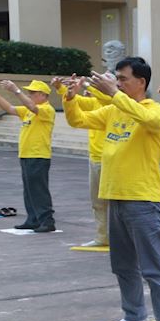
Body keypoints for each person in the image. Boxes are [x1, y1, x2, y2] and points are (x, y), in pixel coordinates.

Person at [63, 58, 160, 321]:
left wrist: (113, 94)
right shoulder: (115, 109)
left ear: (141, 82)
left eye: (123, 78)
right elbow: (78, 120)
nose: (118, 83)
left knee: (152, 265)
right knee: (123, 264)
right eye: (117, 78)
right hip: (115, 196)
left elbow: (148, 119)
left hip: (142, 198)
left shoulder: (154, 111)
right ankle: (133, 316)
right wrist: (70, 97)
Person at [0, 79, 56, 232]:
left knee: (39, 190)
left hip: (38, 155)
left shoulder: (47, 110)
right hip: (27, 154)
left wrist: (16, 90)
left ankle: (47, 221)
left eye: (32, 93)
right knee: (29, 190)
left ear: (42, 95)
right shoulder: (28, 110)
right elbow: (10, 109)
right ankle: (33, 219)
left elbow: (33, 106)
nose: (30, 95)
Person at [54, 76, 110, 246]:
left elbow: (108, 96)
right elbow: (74, 101)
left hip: (109, 160)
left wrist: (87, 85)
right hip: (95, 158)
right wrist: (63, 88)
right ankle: (102, 237)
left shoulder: (113, 103)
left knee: (116, 204)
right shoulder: (94, 104)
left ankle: (120, 237)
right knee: (97, 202)